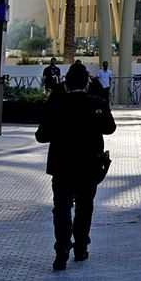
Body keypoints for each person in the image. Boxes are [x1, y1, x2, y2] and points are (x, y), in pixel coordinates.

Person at [36, 62, 115, 270]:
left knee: (61, 207)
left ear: (66, 84)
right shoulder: (97, 103)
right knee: (84, 206)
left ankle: (62, 249)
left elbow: (41, 136)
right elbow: (110, 128)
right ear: (87, 83)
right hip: (90, 165)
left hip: (62, 165)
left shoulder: (56, 102)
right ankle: (81, 247)